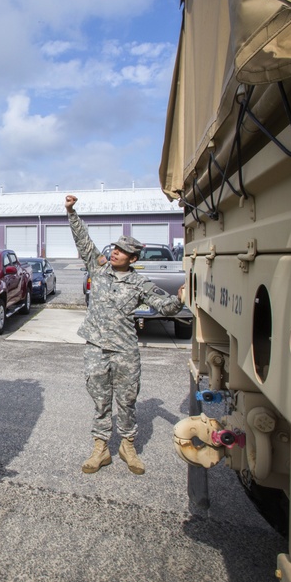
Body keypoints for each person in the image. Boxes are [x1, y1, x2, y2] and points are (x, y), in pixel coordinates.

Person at [66, 194, 184, 475]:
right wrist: (72, 212)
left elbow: (165, 307)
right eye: (115, 248)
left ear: (132, 258)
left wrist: (180, 298)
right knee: (100, 399)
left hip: (125, 350)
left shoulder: (140, 283)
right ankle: (101, 448)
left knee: (127, 400)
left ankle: (127, 445)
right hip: (96, 347)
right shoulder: (99, 268)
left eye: (122, 251)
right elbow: (83, 240)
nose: (115, 252)